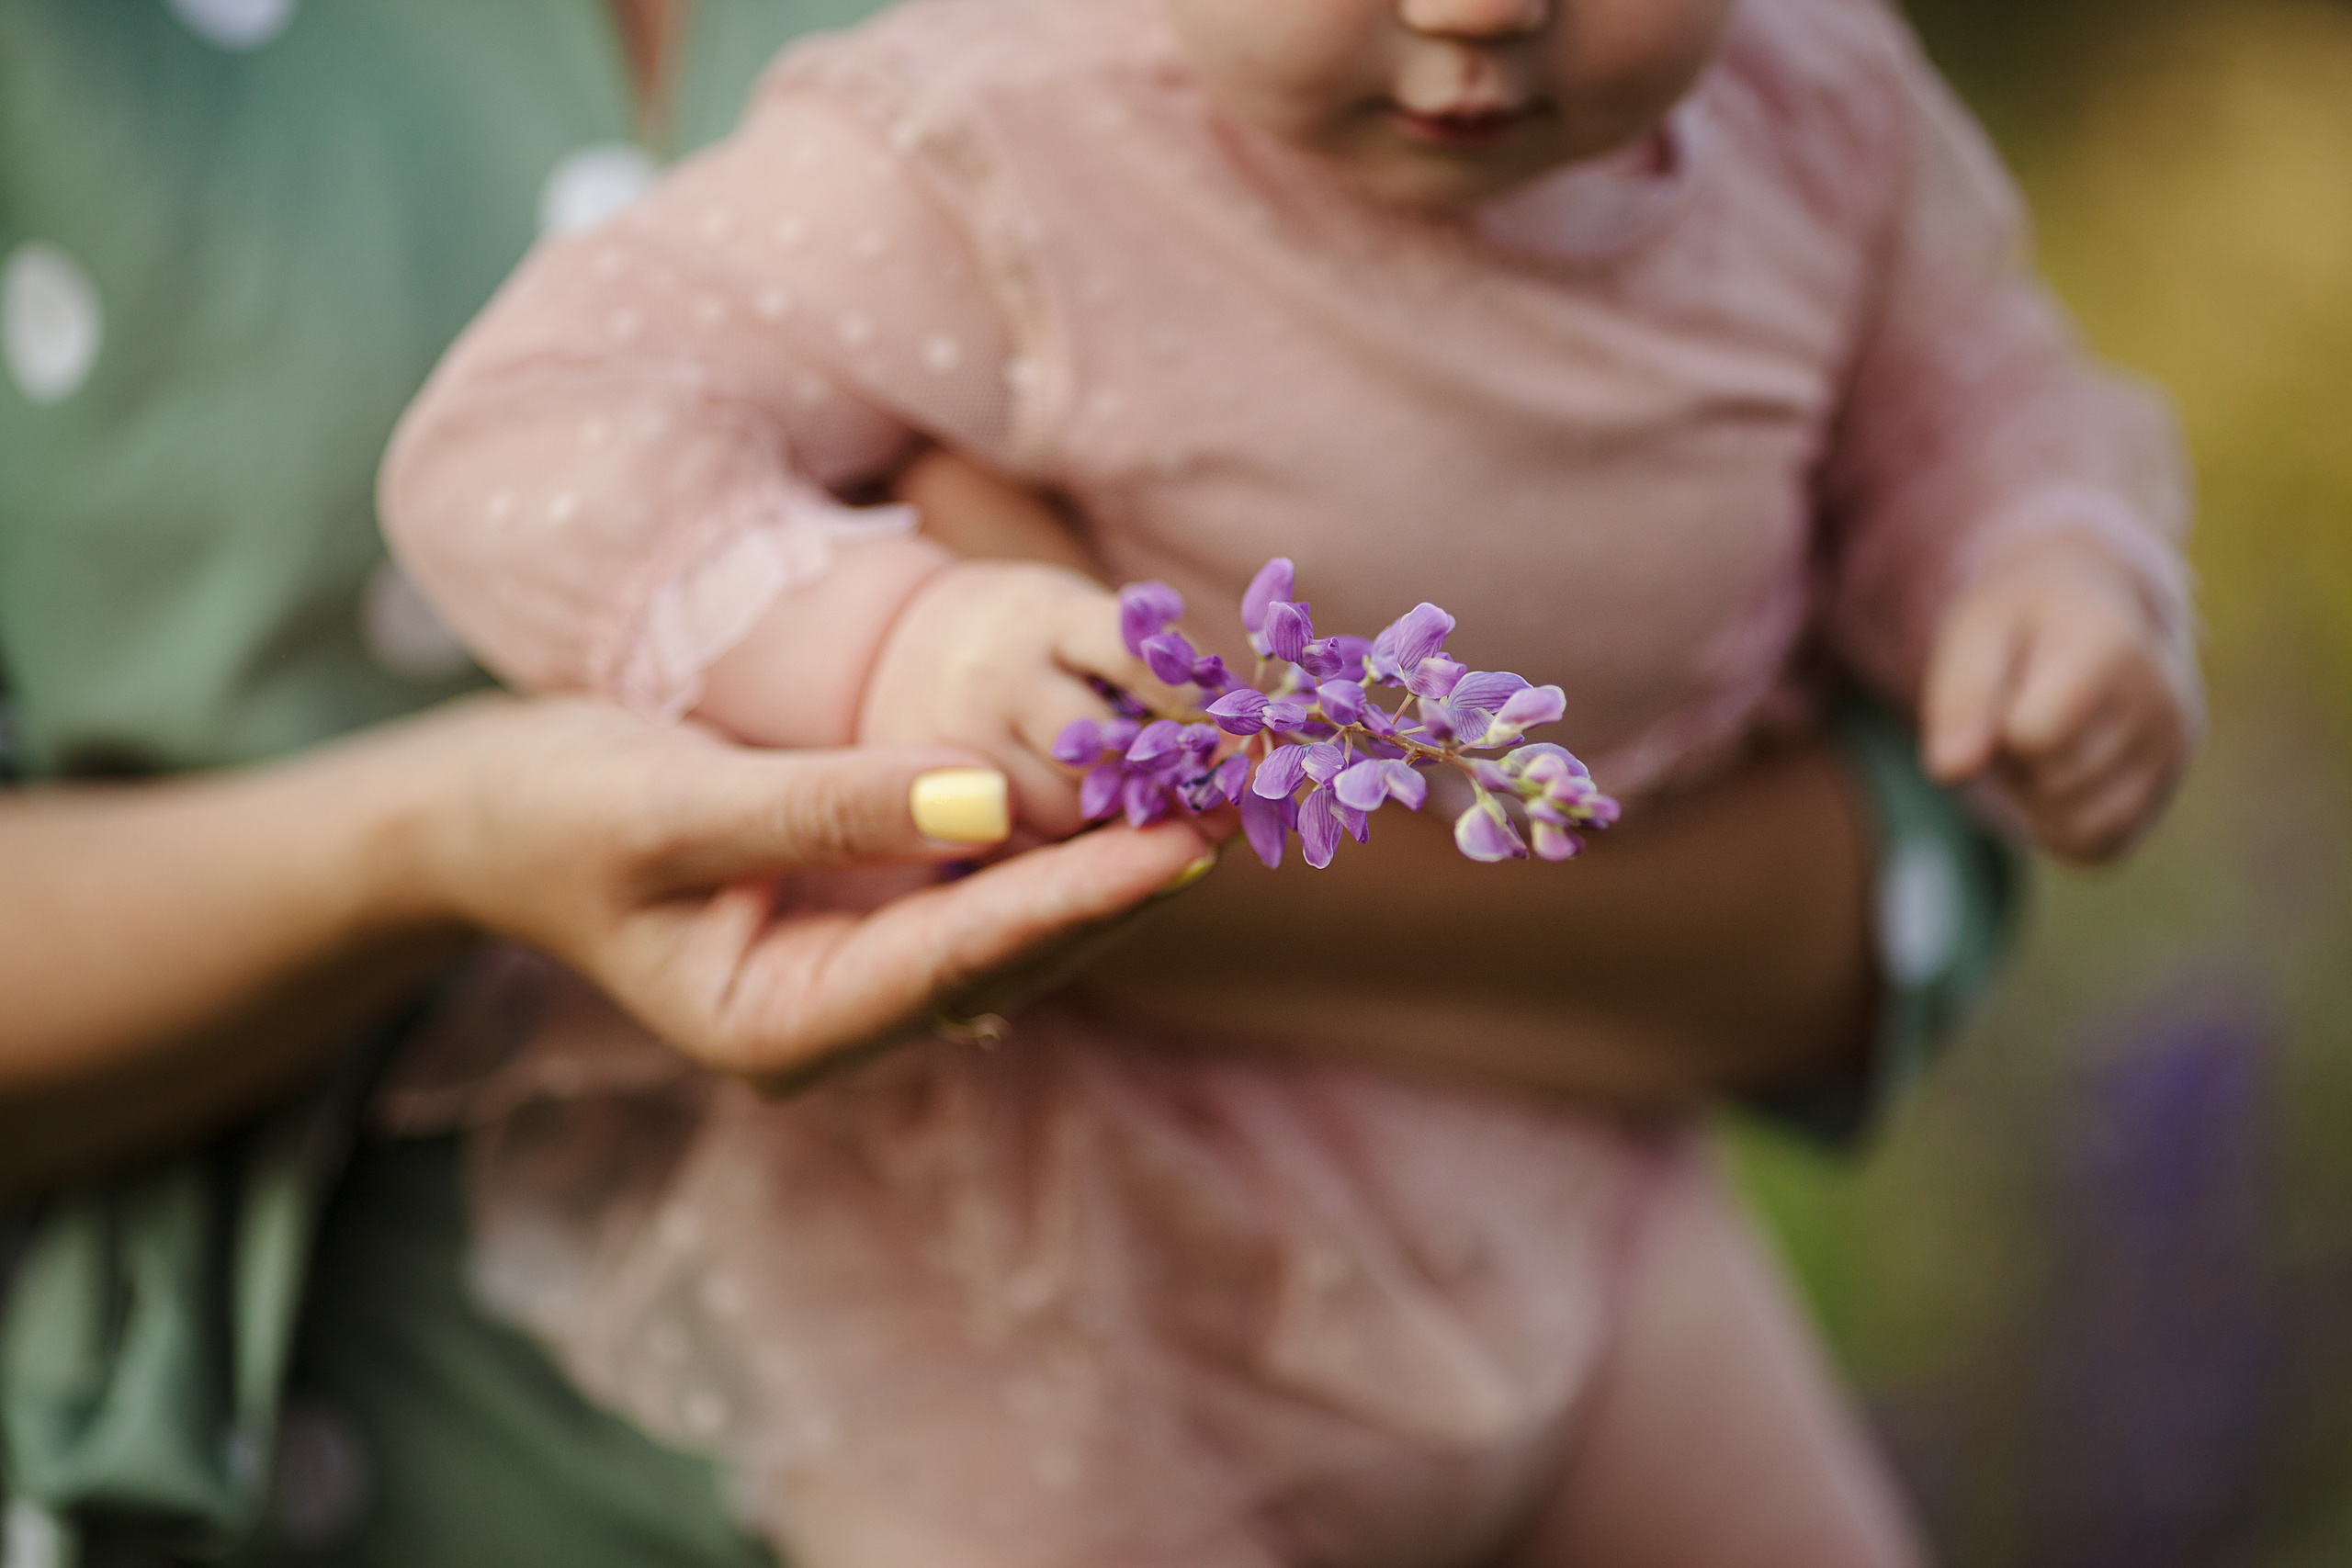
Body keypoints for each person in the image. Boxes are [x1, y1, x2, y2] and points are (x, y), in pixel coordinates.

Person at [2, 2, 2019, 1564]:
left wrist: (2052, 564)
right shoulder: (1004, 115)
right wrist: (872, 642)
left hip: (1543, 1192)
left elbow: (1916, 711)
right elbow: (520, 449)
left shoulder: (1755, 113)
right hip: (872, 1335)